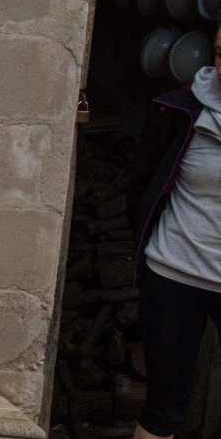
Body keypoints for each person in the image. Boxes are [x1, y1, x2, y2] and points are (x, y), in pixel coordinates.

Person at [127, 24, 221, 439]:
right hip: (174, 274)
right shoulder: (179, 109)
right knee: (163, 411)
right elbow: (141, 187)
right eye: (220, 53)